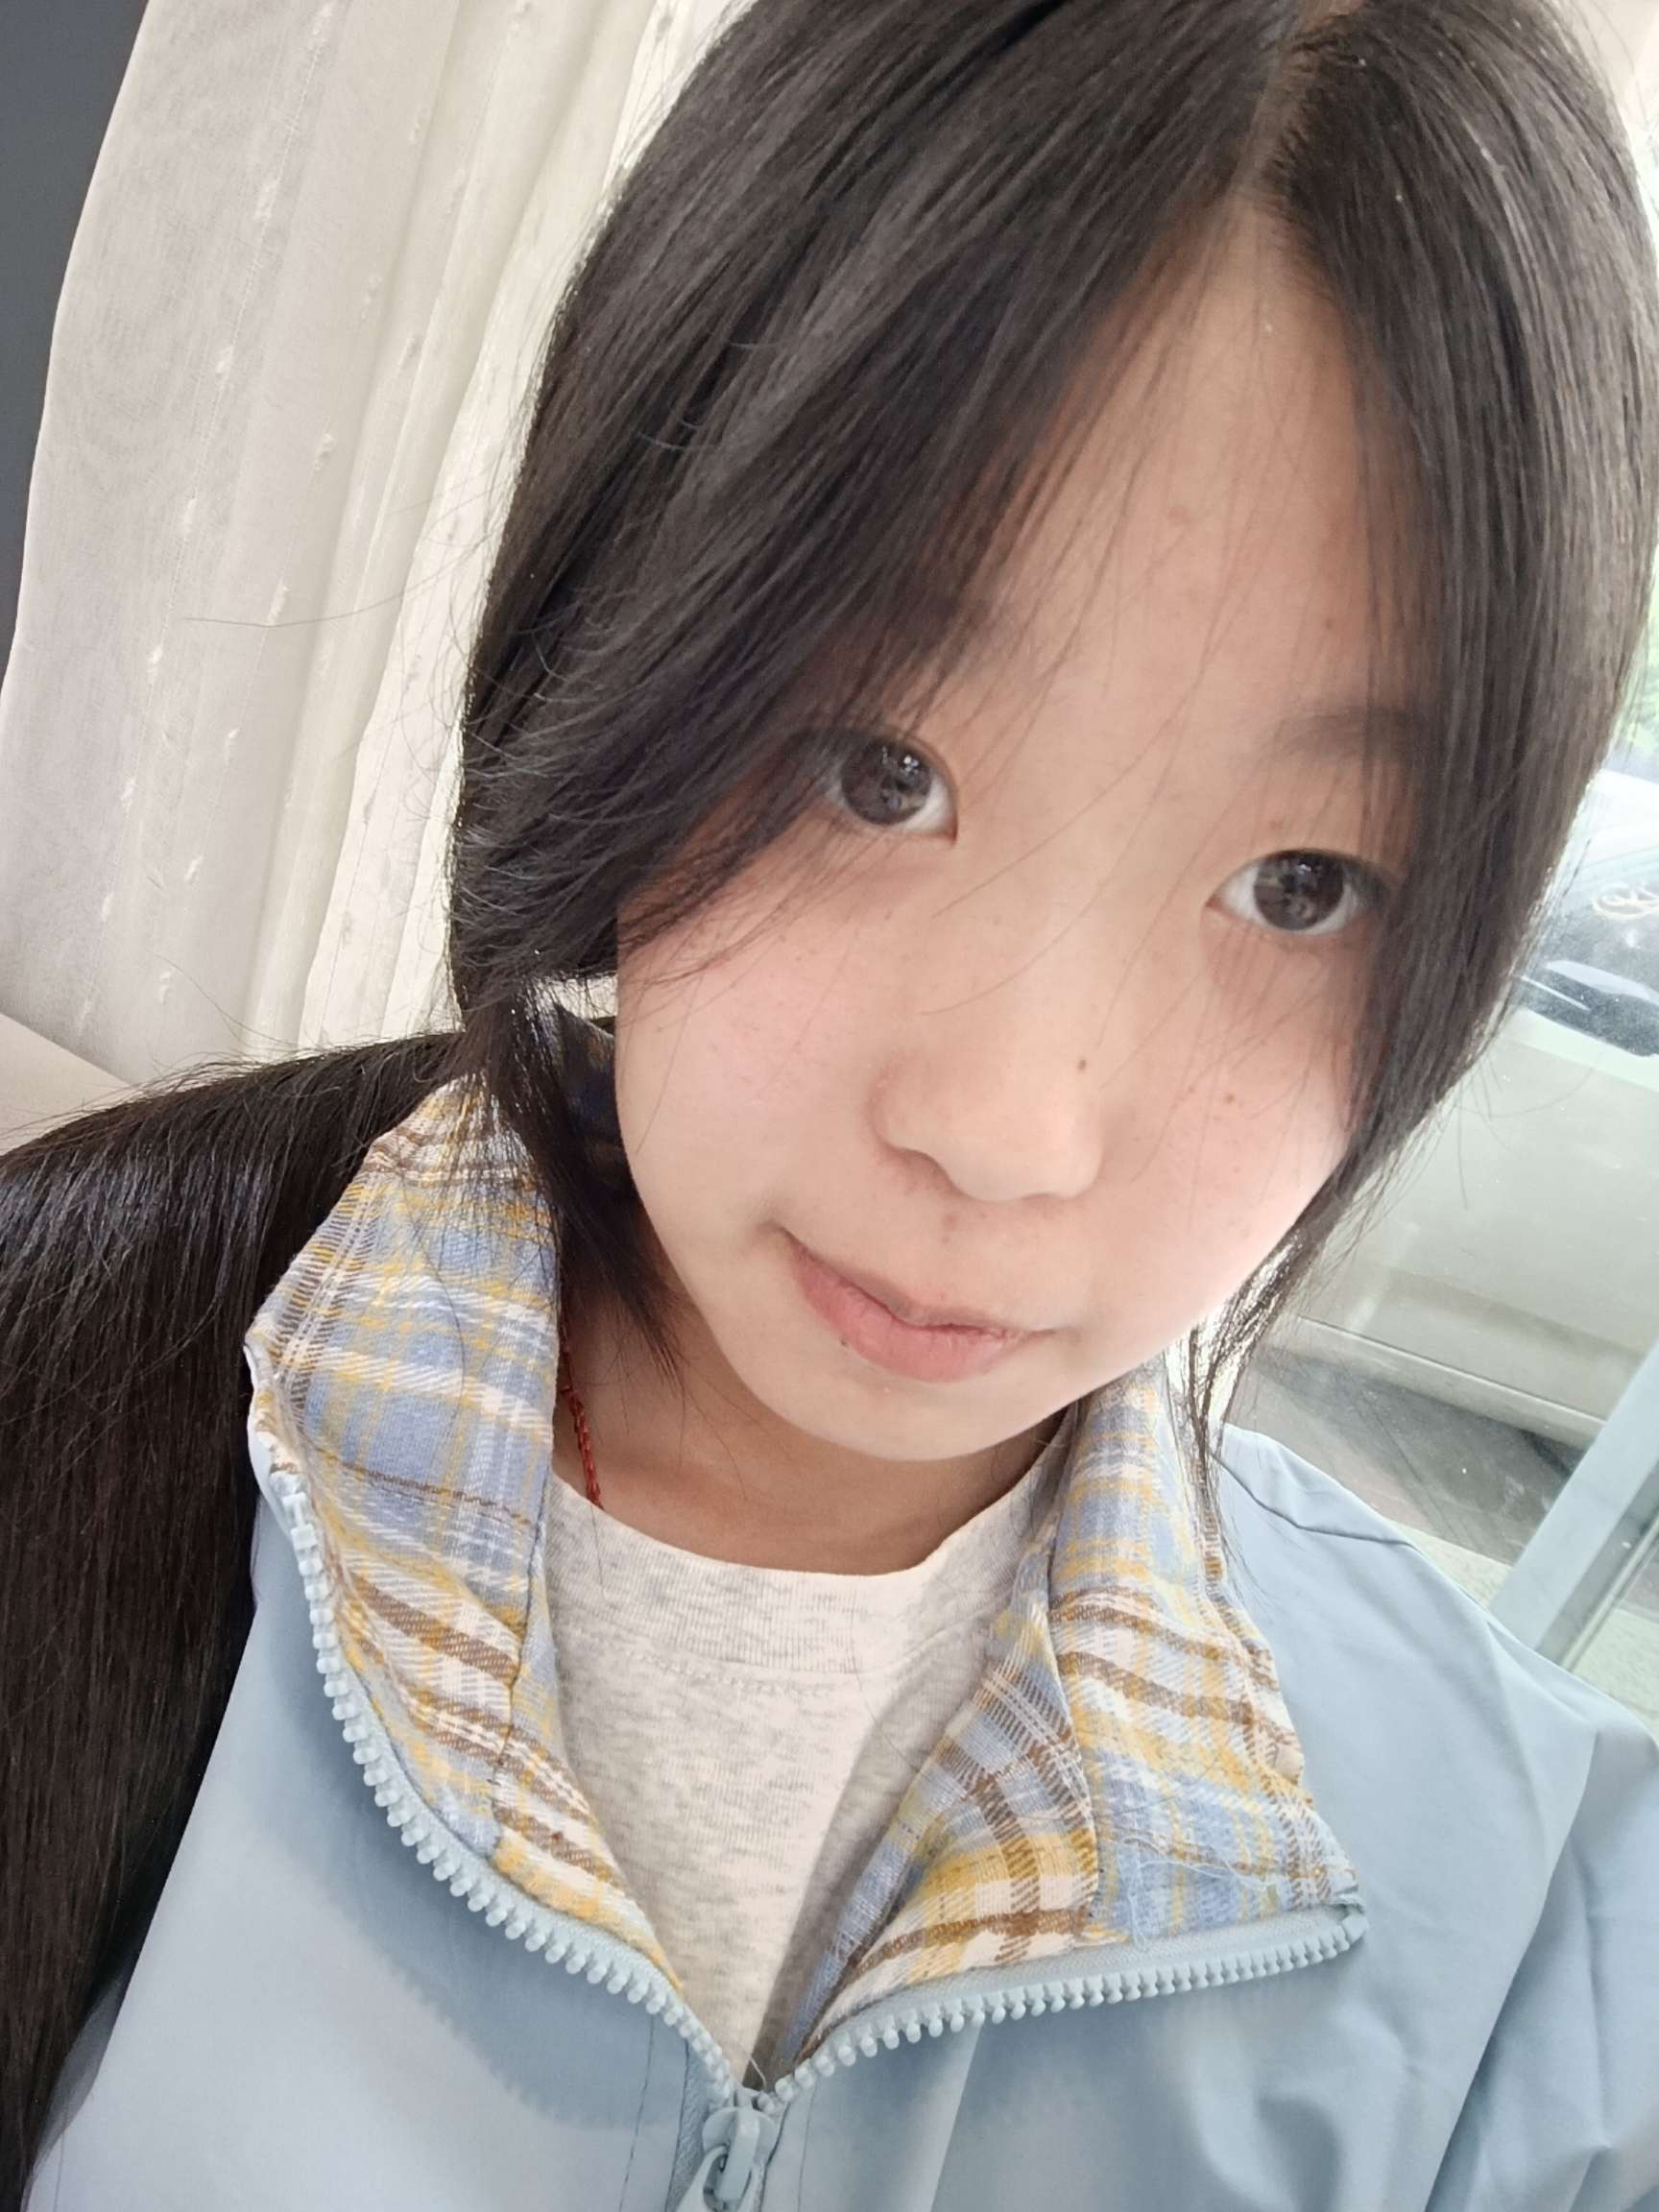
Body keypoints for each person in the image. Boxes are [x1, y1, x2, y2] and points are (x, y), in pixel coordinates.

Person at [6, 0, 1659, 2204]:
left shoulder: (1543, 1948)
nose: (1008, 1126)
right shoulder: (63, 1393)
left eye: (1301, 884)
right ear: (629, 621)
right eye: (883, 772)